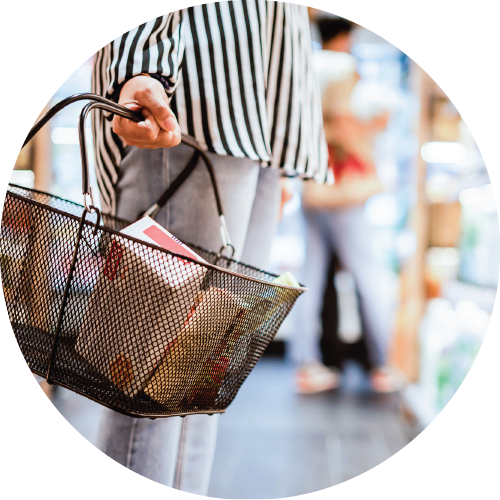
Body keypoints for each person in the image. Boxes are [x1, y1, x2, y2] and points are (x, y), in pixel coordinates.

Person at [91, 2, 327, 497]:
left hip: (261, 108)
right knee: (149, 391)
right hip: (189, 99)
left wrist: (278, 144)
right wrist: (139, 65)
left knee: (201, 382)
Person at [290, 17, 401, 395]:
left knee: (311, 276)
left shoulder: (303, 67)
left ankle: (306, 363)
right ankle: (383, 363)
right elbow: (347, 125)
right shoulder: (345, 70)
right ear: (346, 37)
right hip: (343, 188)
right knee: (368, 276)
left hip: (311, 186)